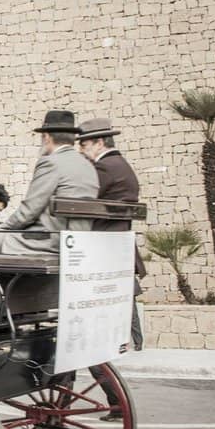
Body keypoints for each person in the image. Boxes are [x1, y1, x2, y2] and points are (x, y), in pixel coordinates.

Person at [0, 110, 99, 321]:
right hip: (76, 242)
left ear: (47, 137)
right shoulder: (88, 166)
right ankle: (21, 303)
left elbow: (29, 210)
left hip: (48, 241)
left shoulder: (50, 162)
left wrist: (2, 228)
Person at [77, 117, 146, 354]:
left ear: (98, 142)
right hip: (117, 241)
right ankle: (133, 339)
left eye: (84, 146)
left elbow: (84, 198)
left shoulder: (105, 167)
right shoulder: (121, 164)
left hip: (102, 242)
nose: (82, 152)